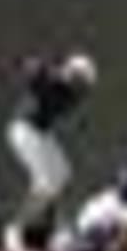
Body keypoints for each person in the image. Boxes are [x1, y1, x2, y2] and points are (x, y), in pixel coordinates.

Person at [7, 51, 96, 209]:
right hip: (25, 129)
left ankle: (42, 215)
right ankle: (31, 220)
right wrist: (38, 69)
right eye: (81, 81)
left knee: (62, 173)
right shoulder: (53, 79)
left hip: (40, 133)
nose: (82, 87)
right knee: (45, 179)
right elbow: (33, 75)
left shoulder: (70, 93)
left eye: (84, 84)